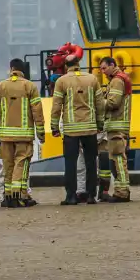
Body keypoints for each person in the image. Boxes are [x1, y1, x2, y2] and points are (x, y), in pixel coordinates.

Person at [0, 58, 45, 208]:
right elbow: (37, 112)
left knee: (8, 166)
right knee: (21, 164)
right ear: (23, 70)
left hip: (5, 135)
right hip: (24, 135)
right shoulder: (29, 86)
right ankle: (18, 196)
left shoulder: (0, 86)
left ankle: (8, 197)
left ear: (11, 68)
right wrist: (40, 132)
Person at [51, 54, 101, 205]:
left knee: (70, 164)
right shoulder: (92, 79)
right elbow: (100, 104)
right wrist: (100, 123)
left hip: (71, 131)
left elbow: (56, 106)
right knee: (91, 162)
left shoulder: (62, 81)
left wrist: (54, 126)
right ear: (79, 63)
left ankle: (71, 196)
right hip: (90, 128)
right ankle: (91, 195)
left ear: (66, 66)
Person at [0, 113, 38, 206]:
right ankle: (3, 196)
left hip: (12, 134)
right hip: (1, 136)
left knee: (20, 166)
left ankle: (22, 195)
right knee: (4, 168)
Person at [98, 56, 132, 202]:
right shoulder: (118, 79)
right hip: (117, 126)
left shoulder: (117, 80)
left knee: (118, 159)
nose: (103, 72)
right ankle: (120, 190)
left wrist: (97, 102)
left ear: (112, 65)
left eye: (104, 68)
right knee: (116, 159)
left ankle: (122, 192)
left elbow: (113, 103)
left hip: (117, 126)